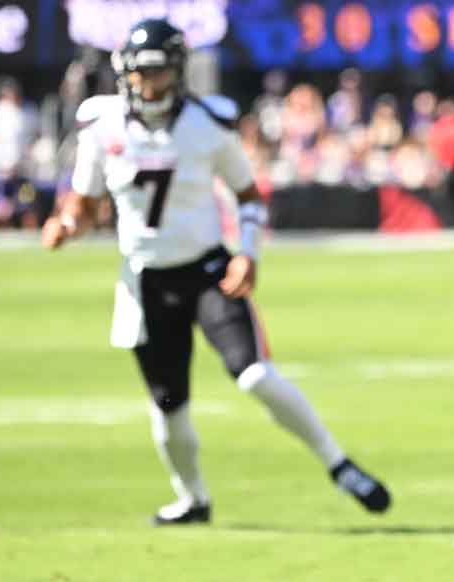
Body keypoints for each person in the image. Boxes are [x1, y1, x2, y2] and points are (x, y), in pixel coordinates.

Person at [40, 18, 391, 525]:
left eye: (156, 73)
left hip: (207, 269)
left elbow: (248, 196)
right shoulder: (104, 126)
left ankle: (339, 465)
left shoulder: (207, 123)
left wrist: (248, 252)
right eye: (138, 73)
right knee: (168, 405)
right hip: (146, 279)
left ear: (178, 72)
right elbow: (86, 202)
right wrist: (67, 223)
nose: (145, 84)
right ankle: (192, 498)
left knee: (254, 376)